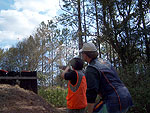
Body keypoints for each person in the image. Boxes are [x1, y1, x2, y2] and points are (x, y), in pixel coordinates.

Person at [79, 42, 133, 113]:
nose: (82, 55)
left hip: (115, 100)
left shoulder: (91, 68)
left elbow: (91, 92)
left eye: (82, 53)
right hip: (126, 97)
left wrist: (89, 111)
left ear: (86, 55)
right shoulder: (105, 62)